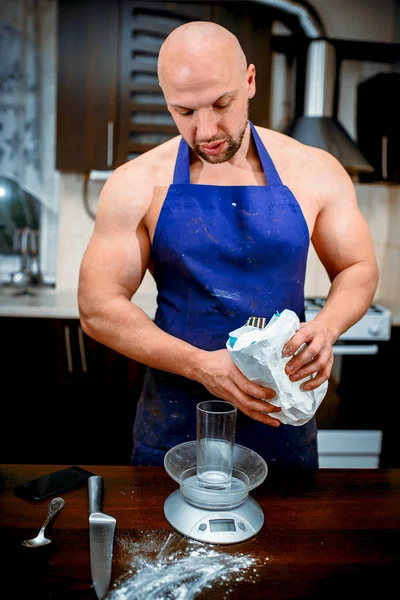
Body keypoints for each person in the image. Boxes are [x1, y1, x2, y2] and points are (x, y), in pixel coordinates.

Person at [78, 21, 379, 468]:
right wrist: (201, 366)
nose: (206, 130)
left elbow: (358, 266)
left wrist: (328, 326)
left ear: (250, 81)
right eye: (184, 112)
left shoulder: (315, 170)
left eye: (222, 104)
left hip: (283, 420)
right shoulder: (137, 183)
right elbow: (97, 307)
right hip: (176, 424)